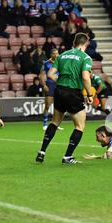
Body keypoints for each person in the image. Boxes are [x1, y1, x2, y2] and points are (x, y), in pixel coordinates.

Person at [36, 33, 94, 164]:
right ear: (86, 43)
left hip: (59, 91)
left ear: (74, 42)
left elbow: (50, 74)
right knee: (80, 125)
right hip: (73, 92)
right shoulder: (86, 58)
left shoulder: (62, 55)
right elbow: (85, 77)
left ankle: (42, 152)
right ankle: (68, 156)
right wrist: (89, 94)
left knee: (55, 122)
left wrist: (61, 80)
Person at [39, 48, 63, 131]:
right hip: (50, 85)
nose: (56, 55)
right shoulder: (46, 63)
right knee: (48, 105)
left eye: (57, 53)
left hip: (59, 85)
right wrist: (44, 85)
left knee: (59, 106)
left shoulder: (60, 63)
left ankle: (55, 124)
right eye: (54, 54)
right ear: (51, 55)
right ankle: (45, 124)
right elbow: (41, 75)